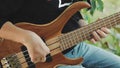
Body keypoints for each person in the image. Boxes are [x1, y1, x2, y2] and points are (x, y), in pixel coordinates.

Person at [0, 0, 120, 68]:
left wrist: (84, 26)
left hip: (77, 46)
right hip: (42, 61)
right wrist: (27, 37)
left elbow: (69, 8)